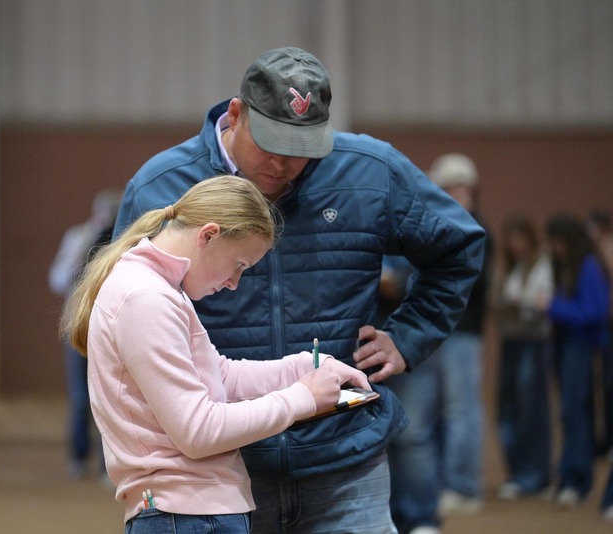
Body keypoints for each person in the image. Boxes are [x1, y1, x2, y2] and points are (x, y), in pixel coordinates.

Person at [114, 47, 486, 533]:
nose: (283, 162)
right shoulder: (161, 188)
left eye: (302, 147)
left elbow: (457, 246)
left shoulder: (370, 174)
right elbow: (116, 307)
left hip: (346, 462)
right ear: (236, 114)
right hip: (220, 474)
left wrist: (410, 334)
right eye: (270, 142)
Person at [60, 175, 371, 532]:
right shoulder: (147, 297)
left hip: (189, 512)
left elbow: (217, 375)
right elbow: (198, 432)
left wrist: (304, 367)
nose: (234, 283)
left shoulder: (159, 289)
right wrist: (301, 398)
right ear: (207, 235)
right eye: (238, 265)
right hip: (186, 514)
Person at [385, 153, 492, 534]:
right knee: (427, 422)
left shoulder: (471, 231)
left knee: (452, 415)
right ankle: (427, 500)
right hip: (420, 334)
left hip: (450, 336)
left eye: (457, 187)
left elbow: (460, 284)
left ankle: (454, 490)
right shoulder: (427, 225)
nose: (452, 194)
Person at [49, 189, 120, 481]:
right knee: (80, 398)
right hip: (79, 328)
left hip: (112, 331)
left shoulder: (123, 240)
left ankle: (108, 465)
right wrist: (78, 259)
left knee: (110, 397)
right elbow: (56, 281)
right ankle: (78, 456)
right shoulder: (77, 237)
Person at [544, 214, 610, 509]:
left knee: (577, 412)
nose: (554, 247)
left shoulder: (588, 266)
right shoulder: (566, 266)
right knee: (568, 413)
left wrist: (553, 306)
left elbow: (594, 312)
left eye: (557, 241)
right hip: (565, 343)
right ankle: (568, 476)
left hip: (581, 345)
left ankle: (578, 479)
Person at [491, 214, 553, 500]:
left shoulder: (542, 263)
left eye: (520, 238)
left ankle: (536, 475)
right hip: (511, 340)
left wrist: (520, 304)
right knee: (507, 408)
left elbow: (542, 302)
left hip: (534, 341)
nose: (516, 245)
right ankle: (517, 474)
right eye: (511, 240)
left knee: (532, 408)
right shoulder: (508, 267)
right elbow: (496, 301)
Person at [587, 208, 613, 456]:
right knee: (604, 384)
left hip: (608, 324)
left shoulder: (608, 250)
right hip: (603, 326)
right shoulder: (594, 254)